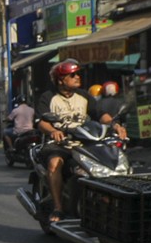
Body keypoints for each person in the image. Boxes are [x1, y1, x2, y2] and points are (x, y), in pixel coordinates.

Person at [35, 60, 123, 222]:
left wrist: (115, 125)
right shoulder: (48, 97)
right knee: (55, 163)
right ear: (61, 80)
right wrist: (53, 131)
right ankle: (58, 208)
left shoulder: (83, 95)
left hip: (84, 141)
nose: (77, 77)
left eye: (77, 74)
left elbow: (100, 113)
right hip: (59, 143)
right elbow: (41, 121)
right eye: (72, 75)